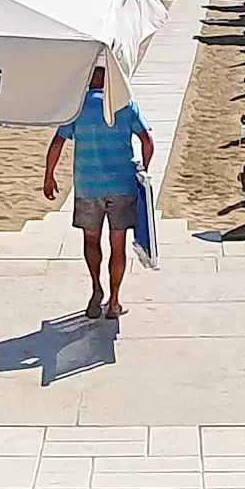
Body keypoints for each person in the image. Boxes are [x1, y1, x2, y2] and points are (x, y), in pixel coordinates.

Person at [43, 64, 152, 320]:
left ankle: (95, 286)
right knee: (118, 245)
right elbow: (147, 141)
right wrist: (144, 171)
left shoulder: (77, 109)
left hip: (88, 186)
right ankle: (114, 302)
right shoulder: (125, 106)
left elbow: (57, 142)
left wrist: (49, 175)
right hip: (122, 185)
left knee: (91, 240)